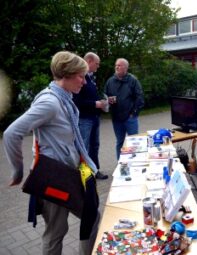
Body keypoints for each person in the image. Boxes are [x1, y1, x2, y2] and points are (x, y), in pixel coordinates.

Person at [3, 51, 100, 255]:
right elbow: (12, 133)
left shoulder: (63, 98)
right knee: (56, 233)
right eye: (80, 76)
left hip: (68, 175)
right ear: (66, 74)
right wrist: (18, 172)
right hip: (53, 178)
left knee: (92, 217)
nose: (84, 81)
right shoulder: (50, 102)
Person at [73, 52, 108, 180]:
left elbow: (90, 97)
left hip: (94, 118)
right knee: (84, 147)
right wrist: (95, 104)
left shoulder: (90, 78)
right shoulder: (79, 78)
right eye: (97, 64)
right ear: (89, 61)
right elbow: (76, 101)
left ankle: (94, 170)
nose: (98, 67)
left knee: (94, 146)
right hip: (84, 119)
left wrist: (102, 103)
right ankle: (84, 175)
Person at [105, 58, 144, 159]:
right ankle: (120, 165)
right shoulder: (110, 81)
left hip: (130, 118)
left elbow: (139, 97)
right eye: (116, 65)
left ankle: (135, 163)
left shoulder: (133, 80)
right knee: (120, 142)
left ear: (126, 68)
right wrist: (107, 100)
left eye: (119, 65)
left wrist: (134, 113)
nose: (116, 67)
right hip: (116, 118)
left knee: (134, 141)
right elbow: (104, 95)